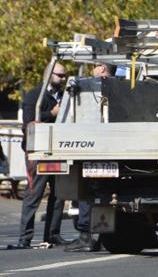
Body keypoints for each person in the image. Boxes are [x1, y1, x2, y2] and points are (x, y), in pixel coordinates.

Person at [8, 63, 70, 249]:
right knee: (34, 194)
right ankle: (24, 238)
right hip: (38, 152)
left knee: (59, 194)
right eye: (60, 75)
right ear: (49, 75)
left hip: (59, 150)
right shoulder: (35, 95)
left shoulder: (65, 96)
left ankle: (53, 234)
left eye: (65, 75)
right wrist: (51, 113)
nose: (63, 79)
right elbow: (29, 122)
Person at [64, 62, 116, 252]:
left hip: (92, 147)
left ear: (102, 68)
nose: (92, 69)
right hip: (116, 149)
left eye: (95, 65)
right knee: (105, 193)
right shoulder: (123, 87)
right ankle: (104, 236)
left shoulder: (91, 87)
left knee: (87, 192)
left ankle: (86, 236)